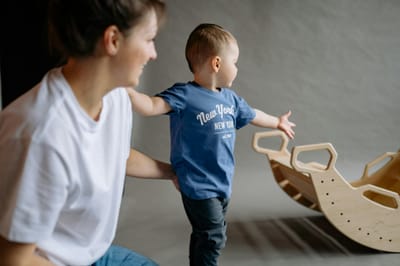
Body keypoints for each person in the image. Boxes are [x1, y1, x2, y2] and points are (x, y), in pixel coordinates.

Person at [0, 0, 177, 265]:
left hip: (90, 255)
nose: (153, 53)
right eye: (149, 39)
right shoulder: (40, 134)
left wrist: (174, 171)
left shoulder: (115, 94)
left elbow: (115, 154)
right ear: (113, 40)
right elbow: (15, 260)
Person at [126, 23, 296, 266]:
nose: (236, 68)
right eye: (234, 62)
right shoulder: (184, 95)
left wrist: (277, 122)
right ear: (217, 64)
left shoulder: (230, 99)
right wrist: (128, 92)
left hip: (222, 182)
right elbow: (152, 106)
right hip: (197, 185)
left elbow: (253, 114)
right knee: (214, 236)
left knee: (205, 235)